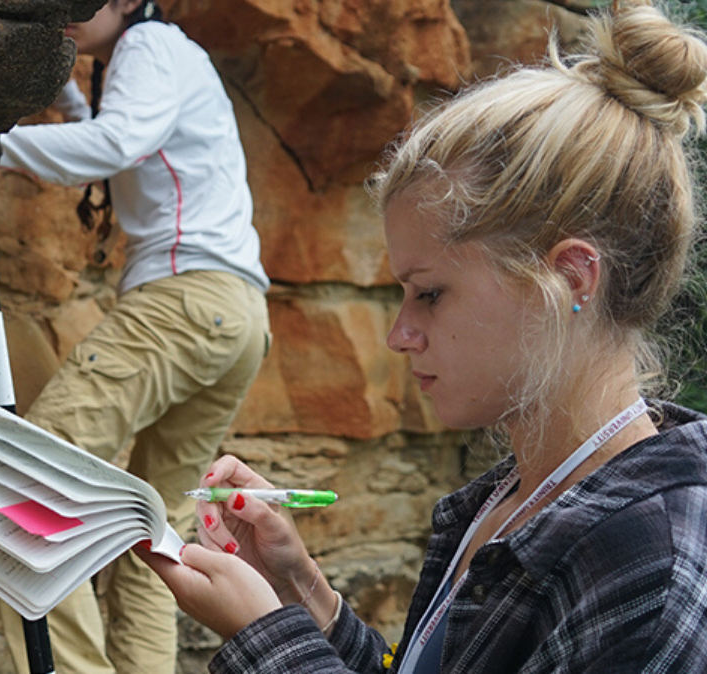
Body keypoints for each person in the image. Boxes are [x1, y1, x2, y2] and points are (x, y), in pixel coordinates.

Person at [136, 1, 707, 672]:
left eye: (429, 293)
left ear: (571, 279)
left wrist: (268, 643)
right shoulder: (520, 494)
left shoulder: (650, 571)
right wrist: (301, 596)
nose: (400, 335)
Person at [0, 0, 272, 673]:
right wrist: (64, 83)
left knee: (28, 487)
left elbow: (118, 144)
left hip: (183, 302)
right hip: (237, 318)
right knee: (155, 538)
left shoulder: (150, 45)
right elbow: (116, 144)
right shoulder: (162, 54)